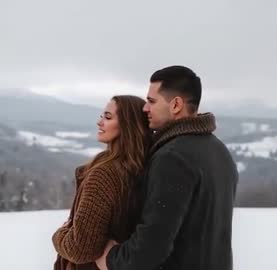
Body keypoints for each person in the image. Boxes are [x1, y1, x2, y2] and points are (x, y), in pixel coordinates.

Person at [96, 66, 239, 270]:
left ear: (176, 105)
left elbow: (152, 246)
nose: (145, 108)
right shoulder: (220, 152)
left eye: (152, 101)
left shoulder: (173, 158)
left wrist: (110, 259)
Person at [52, 95, 151, 270]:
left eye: (107, 117)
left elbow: (80, 249)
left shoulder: (103, 175)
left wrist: (59, 234)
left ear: (128, 125)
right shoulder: (143, 167)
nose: (100, 122)